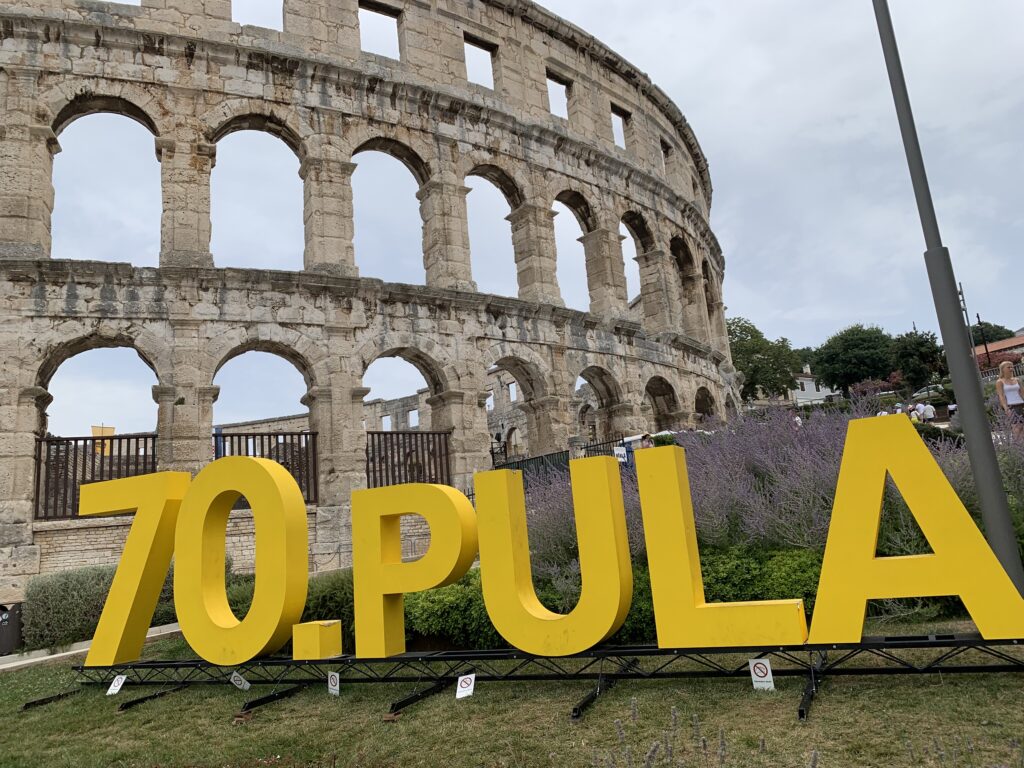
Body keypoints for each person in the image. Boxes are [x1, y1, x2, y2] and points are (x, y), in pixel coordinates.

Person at [996, 360, 1024, 439]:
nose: (1011, 369)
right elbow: (1001, 396)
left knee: (1023, 427)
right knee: (1017, 427)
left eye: (1012, 367)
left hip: (1021, 404)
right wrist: (1006, 408)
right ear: (1003, 369)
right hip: (1011, 406)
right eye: (1008, 367)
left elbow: (1022, 393)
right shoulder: (1000, 382)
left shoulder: (1017, 380)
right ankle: (1018, 444)